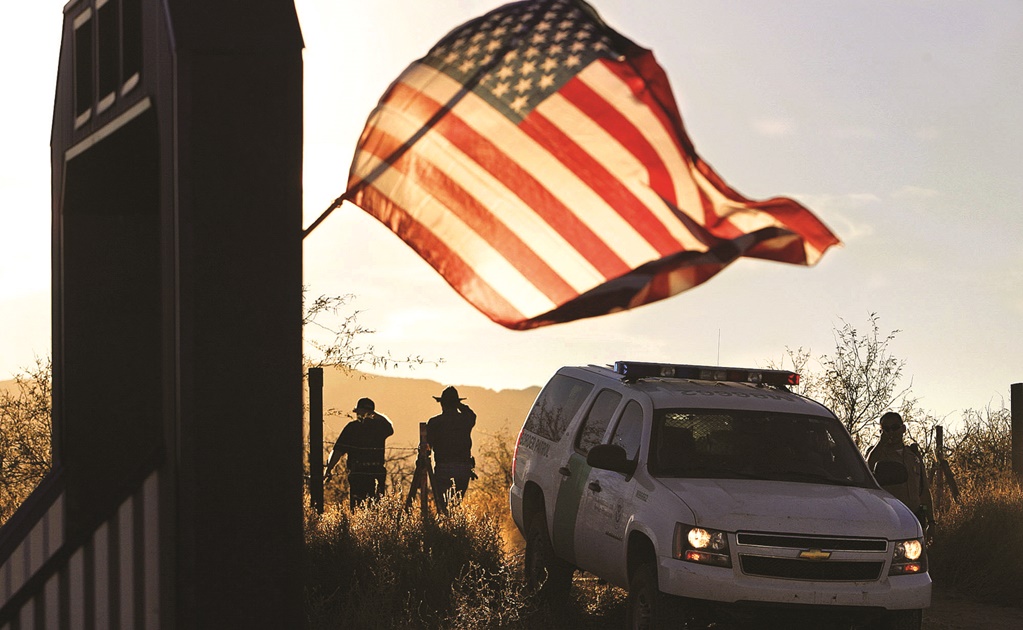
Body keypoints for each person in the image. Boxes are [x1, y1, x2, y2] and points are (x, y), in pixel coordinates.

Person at [866, 412, 934, 531]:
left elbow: (924, 491)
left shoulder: (913, 455)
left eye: (895, 427)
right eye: (886, 429)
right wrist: (881, 443)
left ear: (903, 429)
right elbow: (867, 467)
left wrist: (932, 522)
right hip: (889, 519)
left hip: (915, 518)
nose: (891, 432)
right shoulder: (877, 453)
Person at [324, 397, 394, 508]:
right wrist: (372, 414)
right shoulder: (380, 427)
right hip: (375, 471)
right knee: (376, 506)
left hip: (359, 472)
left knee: (357, 506)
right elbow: (389, 426)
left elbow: (338, 450)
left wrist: (329, 468)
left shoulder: (352, 428)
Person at [427, 386, 477, 509]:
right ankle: (453, 526)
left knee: (443, 505)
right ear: (456, 403)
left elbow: (427, 445)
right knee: (455, 504)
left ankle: (444, 526)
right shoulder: (465, 420)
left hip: (443, 467)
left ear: (442, 404)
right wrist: (459, 405)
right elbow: (471, 414)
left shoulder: (435, 422)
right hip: (463, 468)